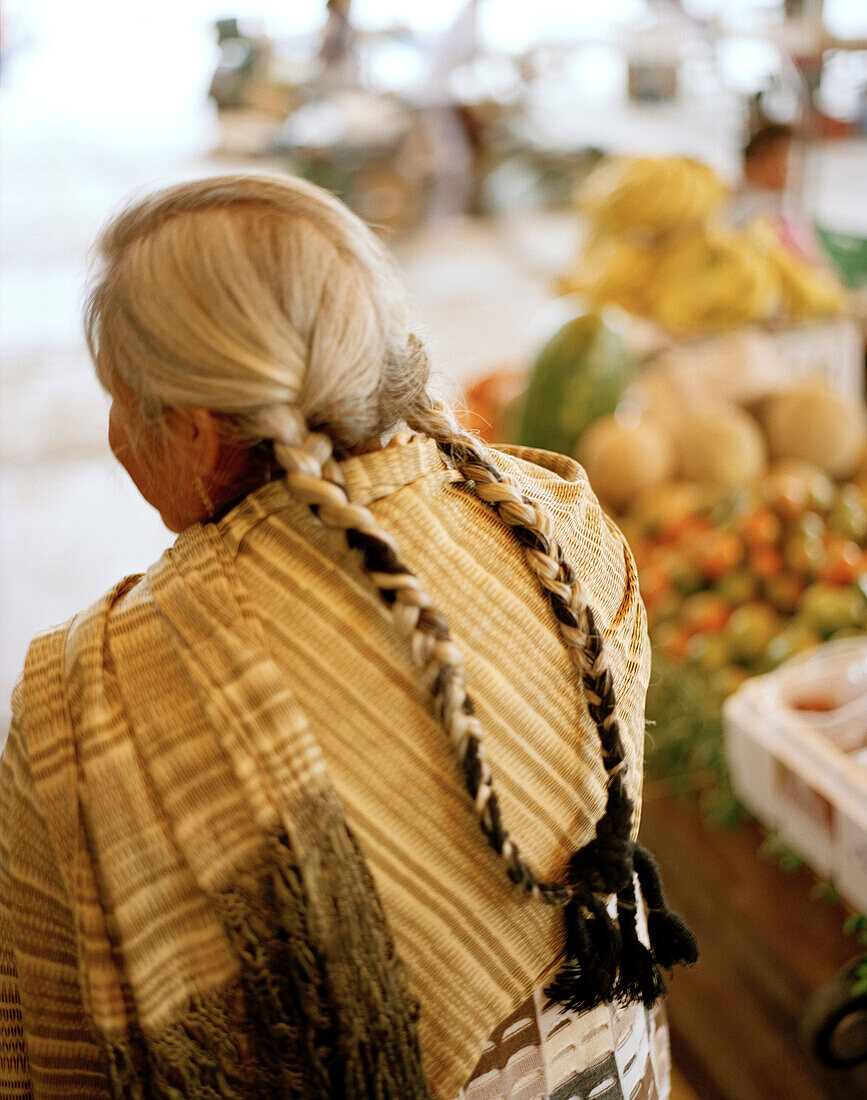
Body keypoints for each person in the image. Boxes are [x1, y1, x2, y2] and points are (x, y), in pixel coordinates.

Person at [0, 174, 695, 1099]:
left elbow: (49, 1053)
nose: (118, 436)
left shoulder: (93, 703)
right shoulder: (560, 529)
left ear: (201, 437)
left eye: (123, 403)